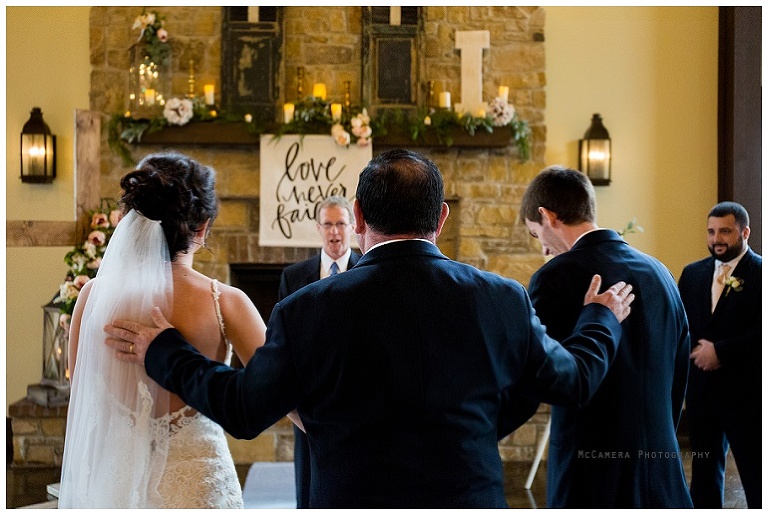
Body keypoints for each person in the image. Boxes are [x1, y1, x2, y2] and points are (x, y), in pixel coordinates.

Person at [103, 148, 635, 509]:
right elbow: (574, 381)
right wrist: (601, 319)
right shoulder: (502, 299)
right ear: (441, 218)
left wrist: (167, 350)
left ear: (356, 217)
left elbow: (244, 409)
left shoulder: (307, 309)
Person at [59, 152, 268, 508]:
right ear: (202, 227)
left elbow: (82, 402)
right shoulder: (226, 302)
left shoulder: (92, 297)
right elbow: (279, 394)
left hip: (115, 486)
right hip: (197, 488)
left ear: (131, 219)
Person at [520, 165, 692, 508]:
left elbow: (545, 376)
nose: (544, 250)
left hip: (590, 477)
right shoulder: (661, 274)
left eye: (536, 235)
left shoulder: (554, 277)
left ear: (548, 216)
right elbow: (679, 374)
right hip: (663, 471)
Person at [277, 195, 361, 508]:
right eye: (328, 224)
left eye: (341, 223)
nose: (334, 232)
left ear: (352, 227)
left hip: (358, 396)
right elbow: (283, 340)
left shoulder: (370, 270)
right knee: (309, 485)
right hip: (310, 398)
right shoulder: (293, 277)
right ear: (318, 228)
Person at [678, 201, 761, 509]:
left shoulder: (762, 273)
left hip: (747, 394)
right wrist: (696, 352)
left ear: (745, 232)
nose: (716, 239)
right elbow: (682, 325)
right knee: (704, 474)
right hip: (701, 391)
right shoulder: (692, 274)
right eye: (711, 232)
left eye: (725, 231)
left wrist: (720, 351)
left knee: (756, 473)